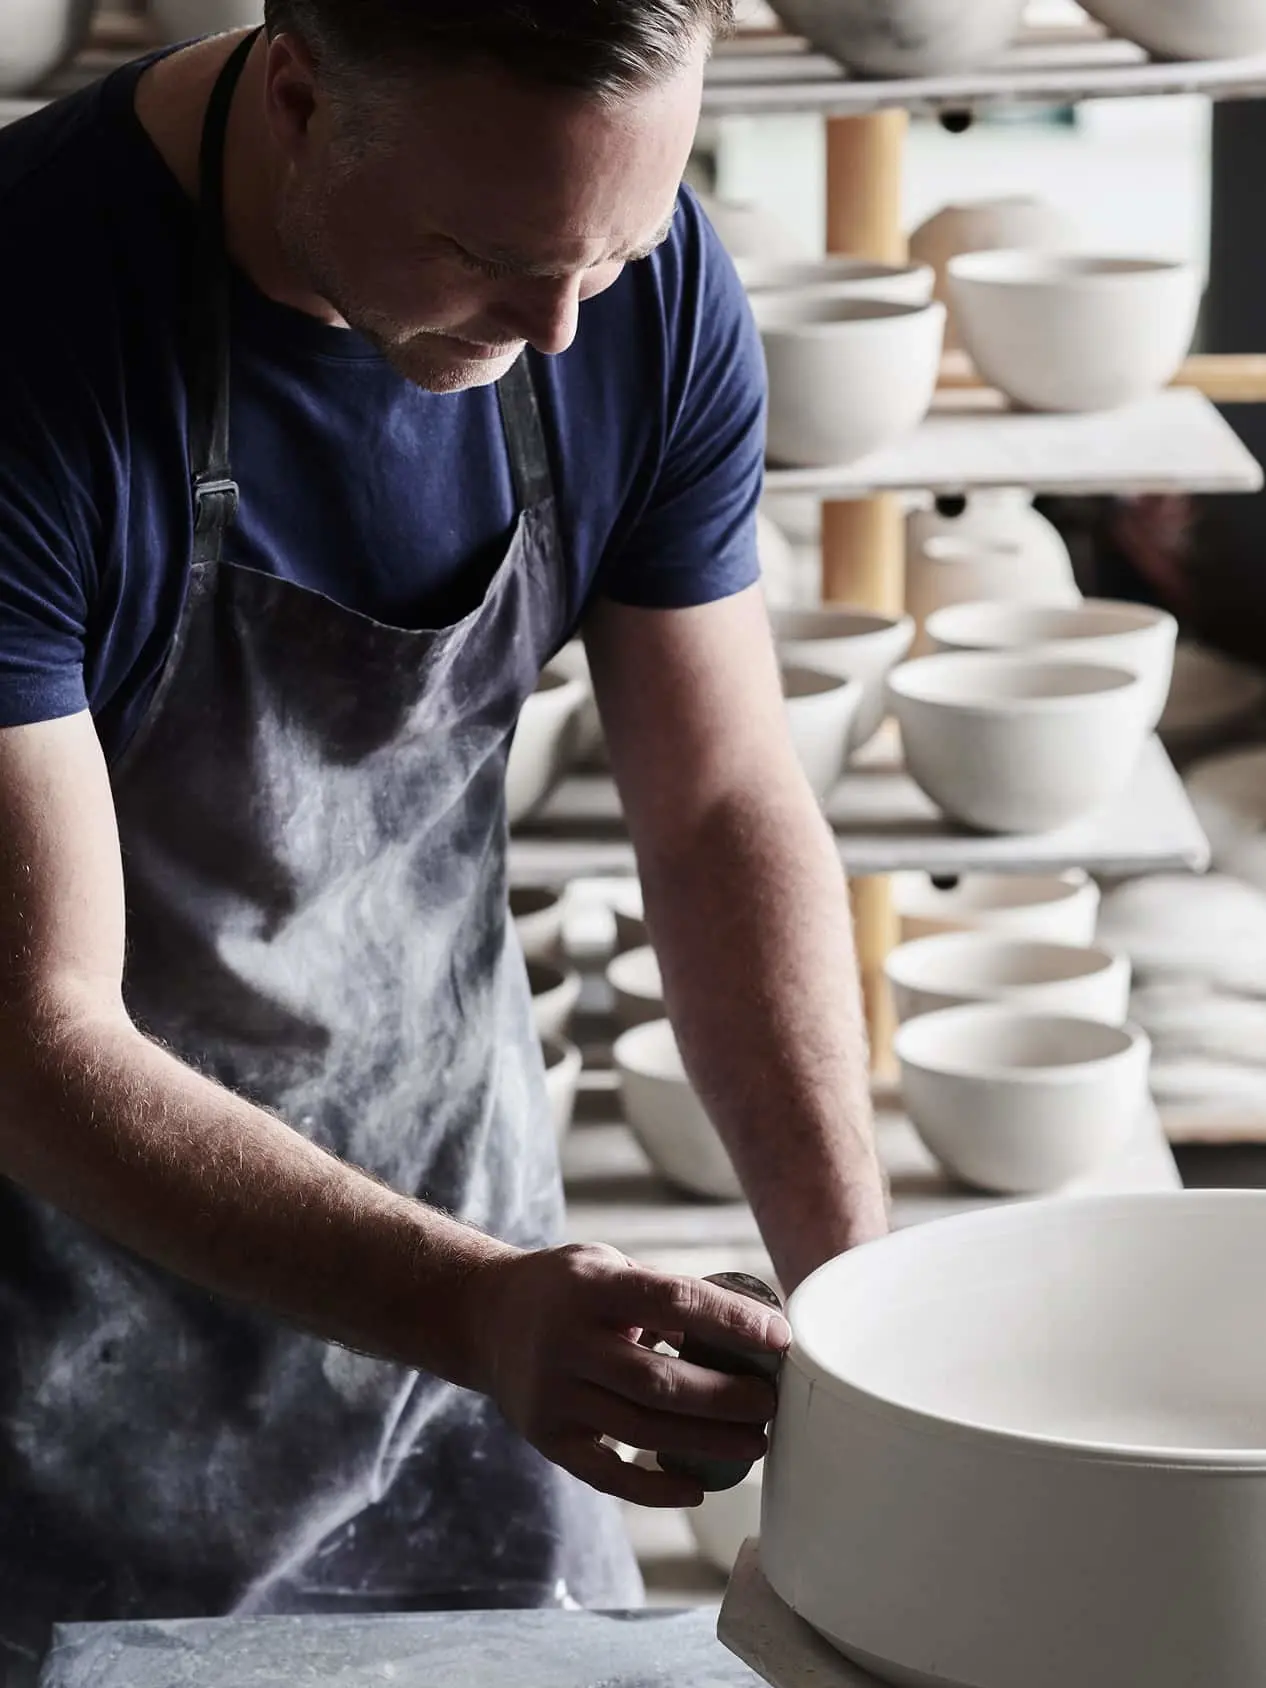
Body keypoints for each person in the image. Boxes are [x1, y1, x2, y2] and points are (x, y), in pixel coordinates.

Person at [0, 0, 886, 1675]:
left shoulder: (631, 285)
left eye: (607, 255)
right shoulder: (32, 328)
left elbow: (715, 808)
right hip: (61, 1330)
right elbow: (32, 1031)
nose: (561, 330)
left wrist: (860, 1296)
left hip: (456, 1230)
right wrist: (474, 1307)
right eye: (484, 251)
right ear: (297, 87)